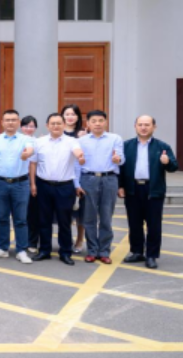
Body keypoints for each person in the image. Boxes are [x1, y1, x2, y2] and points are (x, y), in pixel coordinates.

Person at [119, 115, 179, 269]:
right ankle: (137, 252)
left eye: (147, 124)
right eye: (140, 124)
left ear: (154, 127)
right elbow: (121, 168)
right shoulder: (127, 146)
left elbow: (174, 167)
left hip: (153, 189)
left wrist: (167, 162)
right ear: (135, 126)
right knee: (134, 223)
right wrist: (121, 186)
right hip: (133, 188)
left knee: (154, 225)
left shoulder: (162, 146)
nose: (143, 127)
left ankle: (151, 255)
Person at [30, 113, 86, 266]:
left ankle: (65, 252)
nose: (56, 126)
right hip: (43, 185)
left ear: (64, 125)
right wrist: (33, 184)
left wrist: (80, 157)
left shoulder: (72, 141)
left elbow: (78, 152)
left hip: (65, 186)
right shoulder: (39, 142)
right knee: (44, 220)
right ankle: (44, 250)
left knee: (64, 221)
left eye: (59, 123)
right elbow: (33, 164)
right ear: (47, 126)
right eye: (52, 123)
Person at [0, 109, 34, 264]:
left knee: (21, 219)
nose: (10, 122)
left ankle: (21, 250)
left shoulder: (26, 139)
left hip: (20, 183)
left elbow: (30, 150)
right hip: (0, 182)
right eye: (7, 120)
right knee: (2, 218)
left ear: (19, 122)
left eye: (14, 120)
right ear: (2, 122)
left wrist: (26, 154)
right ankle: (2, 248)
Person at [76, 110, 124, 265]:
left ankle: (104, 251)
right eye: (94, 121)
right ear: (88, 123)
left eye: (101, 120)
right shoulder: (81, 141)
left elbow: (121, 159)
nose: (97, 123)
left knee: (106, 216)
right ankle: (92, 251)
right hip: (88, 179)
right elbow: (76, 165)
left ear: (106, 122)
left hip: (109, 179)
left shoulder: (115, 138)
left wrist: (117, 159)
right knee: (89, 217)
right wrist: (76, 184)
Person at [62, 104, 87, 254]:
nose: (70, 117)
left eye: (73, 114)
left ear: (78, 117)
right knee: (64, 212)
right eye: (67, 114)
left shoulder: (83, 134)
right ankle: (66, 240)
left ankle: (79, 239)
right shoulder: (58, 132)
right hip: (62, 176)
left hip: (81, 176)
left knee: (80, 212)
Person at [20, 115, 40, 252]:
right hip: (19, 178)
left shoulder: (38, 142)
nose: (29, 128)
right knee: (21, 213)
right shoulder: (17, 140)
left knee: (33, 212)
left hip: (34, 178)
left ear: (36, 128)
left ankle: (32, 242)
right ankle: (22, 240)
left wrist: (33, 183)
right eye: (26, 126)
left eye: (32, 126)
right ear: (21, 127)